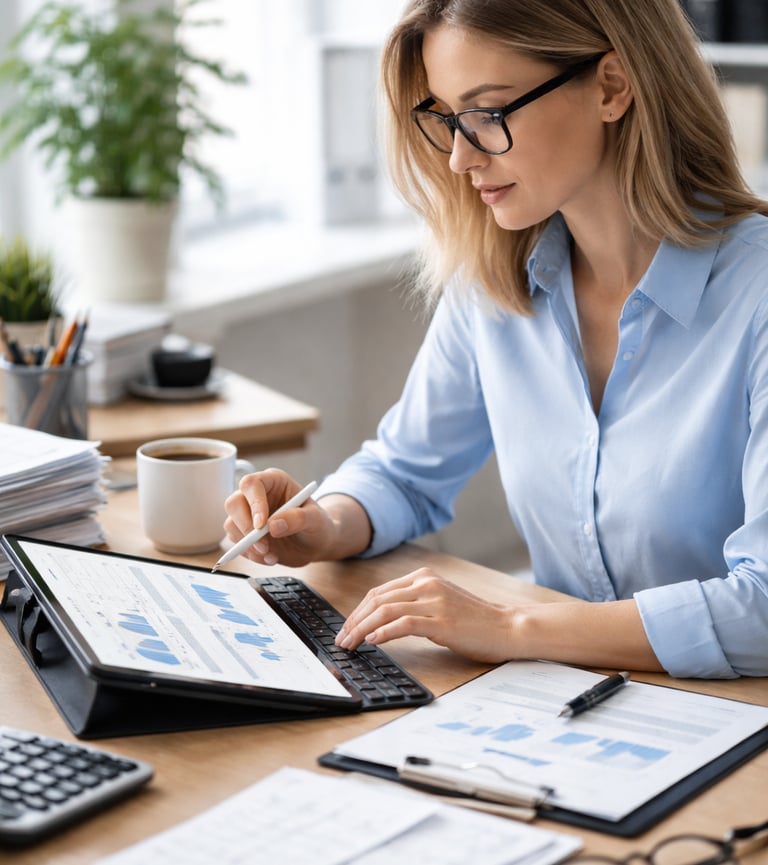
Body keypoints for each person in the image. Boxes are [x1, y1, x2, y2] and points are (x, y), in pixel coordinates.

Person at [224, 0, 768, 679]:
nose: (458, 157)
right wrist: (321, 523)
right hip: (569, 702)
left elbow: (764, 607)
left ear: (611, 87)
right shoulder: (496, 281)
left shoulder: (756, 293)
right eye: (448, 119)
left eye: (488, 114)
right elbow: (406, 470)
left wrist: (511, 624)